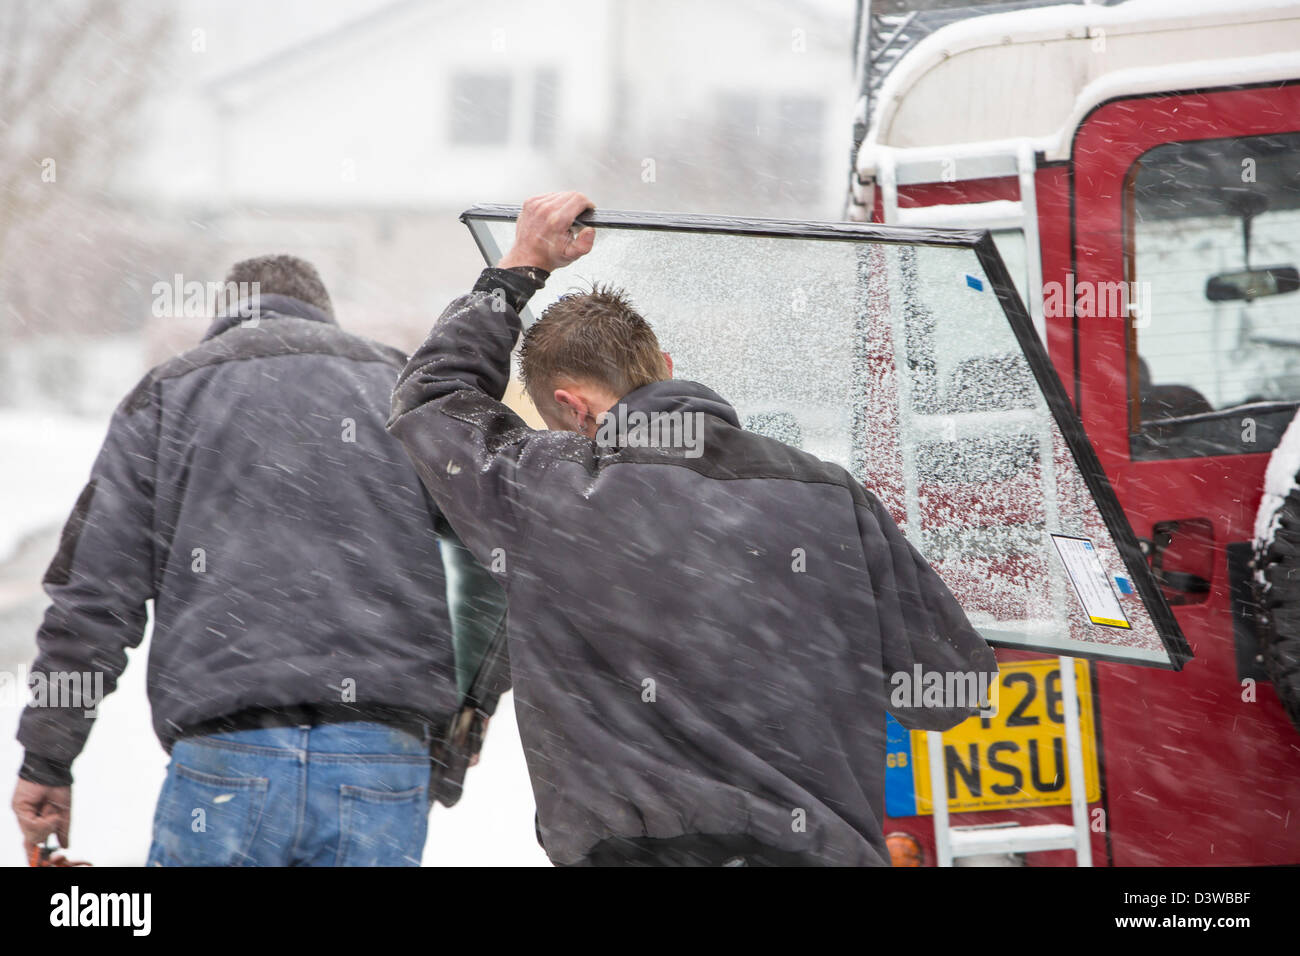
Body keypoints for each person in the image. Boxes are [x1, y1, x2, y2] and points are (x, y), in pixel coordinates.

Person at [388, 191, 998, 866]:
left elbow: (431, 399)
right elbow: (952, 690)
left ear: (574, 408)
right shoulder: (832, 497)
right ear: (667, 367)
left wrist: (518, 268)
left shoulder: (546, 490)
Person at [12, 254, 500, 867]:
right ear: (323, 314)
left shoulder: (167, 395)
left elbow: (93, 597)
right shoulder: (401, 391)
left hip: (227, 753)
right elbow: (499, 556)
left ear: (227, 316)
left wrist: (48, 757)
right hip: (379, 756)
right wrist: (468, 710)